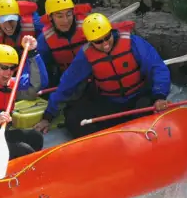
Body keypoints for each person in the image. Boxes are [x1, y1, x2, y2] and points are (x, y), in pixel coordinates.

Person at [34, 13, 170, 138]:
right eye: (99, 41)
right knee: (73, 118)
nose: (105, 44)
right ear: (90, 41)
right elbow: (67, 84)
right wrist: (48, 116)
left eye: (107, 37)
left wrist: (159, 96)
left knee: (149, 108)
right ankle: (106, 143)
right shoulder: (86, 55)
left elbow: (158, 68)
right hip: (110, 102)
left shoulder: (133, 43)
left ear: (111, 31)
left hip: (139, 98)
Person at [35, 0, 93, 87]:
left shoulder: (88, 26)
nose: (65, 21)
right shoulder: (44, 40)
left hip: (93, 74)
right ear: (50, 17)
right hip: (67, 79)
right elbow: (42, 70)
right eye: (60, 16)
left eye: (69, 14)